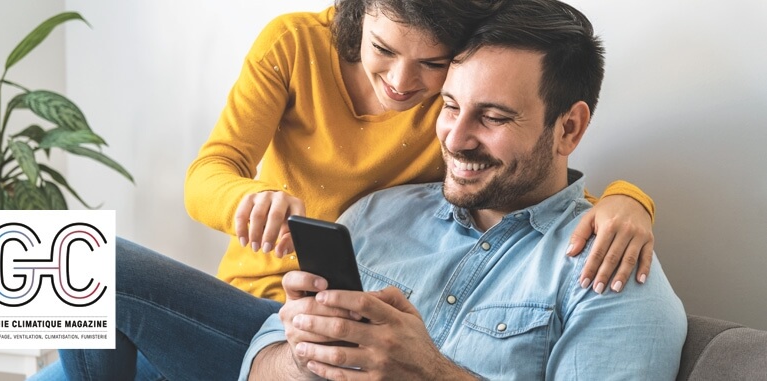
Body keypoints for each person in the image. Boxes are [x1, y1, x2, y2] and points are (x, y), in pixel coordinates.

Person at [51, 0, 686, 379]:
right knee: (60, 267)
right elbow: (262, 360)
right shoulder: (378, 212)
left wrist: (428, 372)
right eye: (452, 107)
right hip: (249, 313)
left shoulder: (608, 271)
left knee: (66, 273)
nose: (455, 139)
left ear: (569, 125)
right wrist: (302, 341)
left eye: (491, 117)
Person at [185, 0, 657, 303]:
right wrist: (252, 200)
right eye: (382, 49)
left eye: (432, 64)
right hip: (251, 300)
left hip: (336, 317)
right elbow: (210, 170)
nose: (401, 82)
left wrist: (628, 198)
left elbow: (524, 170)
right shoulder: (294, 46)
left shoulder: (454, 106)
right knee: (107, 289)